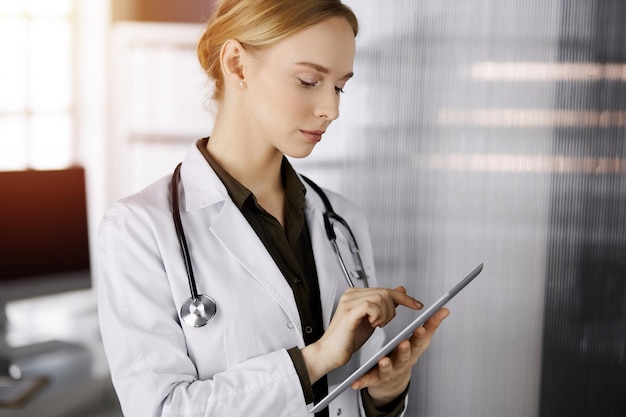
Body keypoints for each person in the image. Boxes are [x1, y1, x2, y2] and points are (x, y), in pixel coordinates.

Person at [96, 1, 449, 416]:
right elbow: (160, 410)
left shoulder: (342, 219)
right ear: (237, 65)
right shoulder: (138, 230)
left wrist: (385, 393)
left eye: (339, 86)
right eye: (308, 80)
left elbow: (348, 398)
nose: (332, 110)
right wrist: (315, 360)